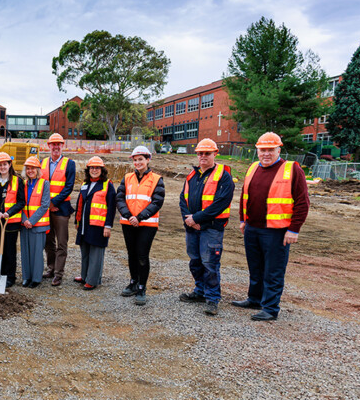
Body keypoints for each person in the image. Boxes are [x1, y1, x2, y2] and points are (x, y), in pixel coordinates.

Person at [232, 132, 310, 321]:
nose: (266, 154)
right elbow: (245, 196)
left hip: (277, 231)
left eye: (270, 150)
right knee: (255, 267)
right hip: (252, 227)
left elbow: (302, 202)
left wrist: (294, 229)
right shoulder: (252, 168)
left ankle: (270, 308)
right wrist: (243, 220)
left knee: (273, 270)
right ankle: (255, 298)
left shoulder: (292, 169)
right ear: (257, 150)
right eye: (262, 150)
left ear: (278, 150)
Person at [178, 139, 234, 316]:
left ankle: (212, 298)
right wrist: (189, 219)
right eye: (200, 153)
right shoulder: (192, 176)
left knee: (210, 263)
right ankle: (200, 292)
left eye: (207, 153)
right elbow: (182, 199)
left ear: (215, 154)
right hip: (192, 227)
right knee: (195, 261)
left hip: (211, 228)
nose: (203, 156)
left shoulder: (223, 176)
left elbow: (220, 203)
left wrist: (196, 218)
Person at [116, 145, 165, 306]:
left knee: (142, 255)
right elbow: (120, 198)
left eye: (141, 160)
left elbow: (157, 202)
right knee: (131, 254)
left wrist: (140, 217)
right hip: (128, 222)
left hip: (147, 224)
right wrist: (129, 216)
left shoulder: (157, 179)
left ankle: (142, 287)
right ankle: (133, 282)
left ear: (148, 160)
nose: (138, 163)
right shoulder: (127, 178)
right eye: (135, 160)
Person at [74, 156, 117, 290]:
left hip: (98, 225)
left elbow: (111, 207)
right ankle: (84, 275)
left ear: (102, 170)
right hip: (84, 225)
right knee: (85, 251)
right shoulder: (84, 184)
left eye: (97, 168)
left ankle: (92, 280)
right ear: (88, 170)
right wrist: (77, 220)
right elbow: (79, 203)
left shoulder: (107, 185)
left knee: (96, 254)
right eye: (92, 168)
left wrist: (108, 226)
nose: (94, 170)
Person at [41, 133, 76, 287]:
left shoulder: (70, 164)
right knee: (48, 242)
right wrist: (47, 204)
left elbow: (68, 187)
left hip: (61, 210)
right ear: (48, 146)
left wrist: (53, 202)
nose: (55, 147)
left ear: (63, 146)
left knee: (61, 242)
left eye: (58, 144)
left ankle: (58, 274)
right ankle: (51, 267)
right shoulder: (42, 163)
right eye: (53, 144)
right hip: (45, 209)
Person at [0, 152, 24, 288]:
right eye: (0, 165)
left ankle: (10, 276)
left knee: (9, 249)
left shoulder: (17, 180)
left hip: (11, 222)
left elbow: (21, 202)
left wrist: (8, 213)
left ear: (9, 165)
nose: (2, 167)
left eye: (5, 164)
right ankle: (0, 273)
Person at [20, 156, 51, 288]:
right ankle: (26, 277)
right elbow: (19, 203)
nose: (30, 171)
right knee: (25, 252)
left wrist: (31, 221)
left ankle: (36, 278)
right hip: (24, 225)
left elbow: (45, 205)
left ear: (38, 169)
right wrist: (24, 220)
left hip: (38, 225)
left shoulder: (44, 184)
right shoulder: (23, 184)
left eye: (33, 168)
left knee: (37, 252)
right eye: (28, 168)